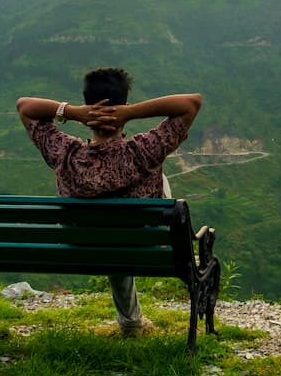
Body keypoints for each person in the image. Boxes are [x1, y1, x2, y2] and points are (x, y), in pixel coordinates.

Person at [17, 67, 201, 336]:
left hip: (83, 244)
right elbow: (191, 103)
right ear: (123, 105)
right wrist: (130, 112)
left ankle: (130, 322)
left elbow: (24, 106)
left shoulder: (66, 155)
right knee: (157, 184)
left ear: (87, 105)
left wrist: (73, 112)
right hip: (142, 243)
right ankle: (131, 322)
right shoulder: (144, 152)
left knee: (114, 220)